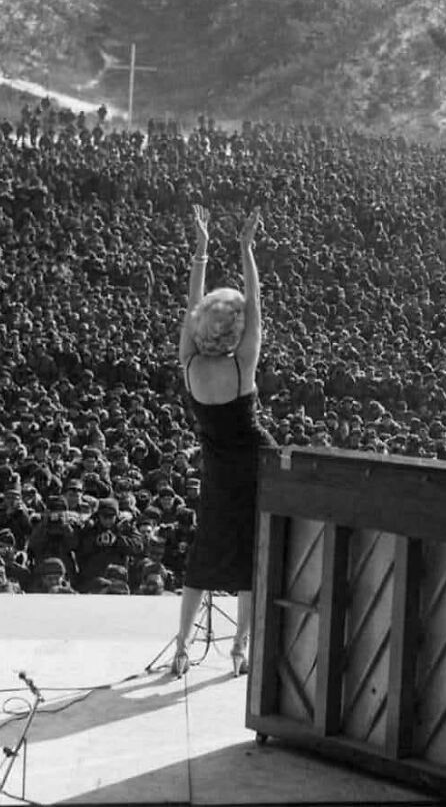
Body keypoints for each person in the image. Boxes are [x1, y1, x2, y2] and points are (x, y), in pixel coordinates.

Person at [171, 204, 276, 678]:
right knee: (250, 553)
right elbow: (256, 306)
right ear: (234, 329)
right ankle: (241, 650)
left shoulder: (191, 365)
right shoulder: (243, 364)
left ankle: (181, 647)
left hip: (216, 469)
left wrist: (202, 253)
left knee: (205, 552)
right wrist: (246, 250)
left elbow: (192, 308)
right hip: (255, 464)